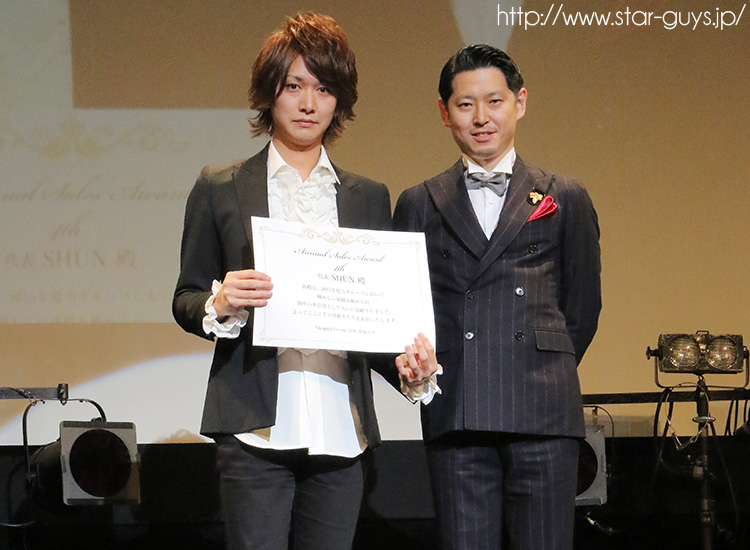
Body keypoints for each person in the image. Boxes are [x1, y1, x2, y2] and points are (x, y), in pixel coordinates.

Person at [173, 13, 435, 550]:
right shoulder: (220, 187)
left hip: (342, 428)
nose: (309, 103)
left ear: (340, 101)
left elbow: (371, 321)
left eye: (324, 89)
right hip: (255, 426)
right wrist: (220, 302)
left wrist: (409, 369)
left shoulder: (367, 198)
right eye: (294, 86)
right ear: (269, 92)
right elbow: (185, 298)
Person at [392, 44, 602, 550]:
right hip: (458, 411)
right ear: (444, 112)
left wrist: (539, 364)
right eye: (465, 104)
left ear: (520, 103)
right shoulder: (419, 202)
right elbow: (401, 312)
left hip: (544, 412)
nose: (481, 117)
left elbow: (582, 310)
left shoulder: (563, 195)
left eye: (494, 101)